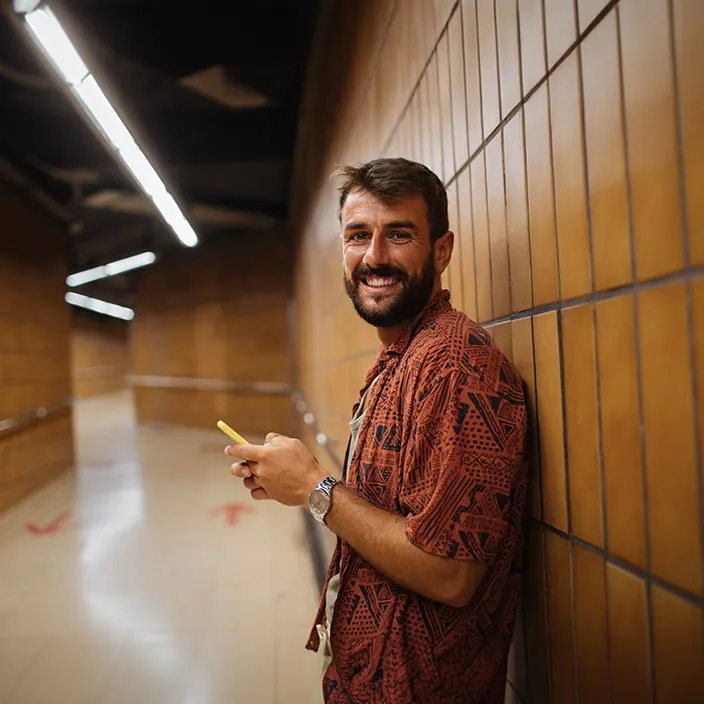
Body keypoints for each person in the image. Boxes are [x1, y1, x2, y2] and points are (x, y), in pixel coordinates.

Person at [225, 157, 529, 703]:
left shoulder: (456, 364)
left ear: (441, 251)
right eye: (358, 235)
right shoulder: (403, 357)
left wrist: (315, 488)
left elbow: (451, 574)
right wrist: (297, 481)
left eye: (400, 234)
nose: (374, 257)